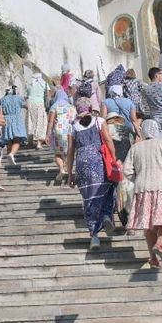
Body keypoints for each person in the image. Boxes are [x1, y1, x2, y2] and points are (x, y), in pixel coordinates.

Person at [124, 120, 162, 267]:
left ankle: (153, 258)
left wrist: (137, 178)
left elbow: (126, 170)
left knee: (148, 226)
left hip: (142, 189)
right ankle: (160, 245)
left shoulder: (135, 147)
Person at [66, 100, 117, 250]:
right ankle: (106, 215)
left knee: (89, 199)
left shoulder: (72, 126)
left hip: (82, 165)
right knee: (108, 188)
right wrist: (113, 159)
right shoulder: (99, 120)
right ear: (90, 108)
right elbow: (108, 140)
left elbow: (70, 152)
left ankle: (94, 236)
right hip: (99, 161)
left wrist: (70, 174)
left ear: (77, 109)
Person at [104, 83, 139, 230]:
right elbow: (134, 123)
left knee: (114, 191)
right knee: (127, 190)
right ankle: (130, 221)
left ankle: (113, 217)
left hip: (112, 163)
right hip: (126, 162)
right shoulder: (126, 127)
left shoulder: (106, 128)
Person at [47, 88, 76, 186]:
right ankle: (70, 172)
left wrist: (48, 134)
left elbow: (50, 122)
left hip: (58, 132)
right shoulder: (72, 107)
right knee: (69, 153)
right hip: (70, 132)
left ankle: (61, 169)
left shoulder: (54, 106)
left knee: (58, 153)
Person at [0, 85, 28, 165]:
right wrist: (24, 100)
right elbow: (27, 106)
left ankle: (10, 159)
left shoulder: (2, 99)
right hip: (17, 119)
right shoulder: (18, 98)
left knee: (9, 140)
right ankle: (12, 154)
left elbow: (0, 114)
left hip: (6, 119)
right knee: (17, 139)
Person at [26, 73, 49, 148]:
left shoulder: (30, 84)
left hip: (30, 104)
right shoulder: (44, 84)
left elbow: (27, 96)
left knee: (31, 121)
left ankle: (30, 140)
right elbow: (48, 95)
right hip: (40, 104)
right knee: (41, 122)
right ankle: (39, 143)